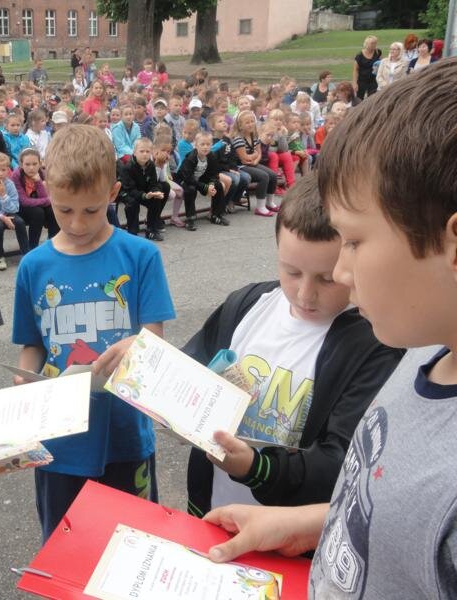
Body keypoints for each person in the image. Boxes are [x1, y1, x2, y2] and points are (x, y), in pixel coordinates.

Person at [201, 57, 457, 600]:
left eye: (355, 242)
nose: (340, 273)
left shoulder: (388, 347)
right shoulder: (423, 352)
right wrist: (312, 521)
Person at [183, 173, 401, 518]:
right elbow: (191, 369)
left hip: (292, 532)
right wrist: (147, 363)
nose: (305, 294)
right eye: (292, 272)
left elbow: (343, 461)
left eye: (326, 279)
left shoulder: (375, 346)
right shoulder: (246, 305)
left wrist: (256, 467)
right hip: (212, 507)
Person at [12, 124, 175, 541]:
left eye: (91, 210)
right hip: (59, 442)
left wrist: (137, 344)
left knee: (133, 546)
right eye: (64, 209)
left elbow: (154, 339)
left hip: (125, 433)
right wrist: (23, 380)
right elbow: (33, 345)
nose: (77, 223)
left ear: (113, 193)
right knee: (65, 548)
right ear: (48, 191)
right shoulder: (33, 266)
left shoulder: (140, 255)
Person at [118, 137, 167, 241]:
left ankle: (151, 230)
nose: (145, 154)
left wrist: (155, 192)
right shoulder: (128, 167)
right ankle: (133, 231)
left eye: (147, 151)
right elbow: (130, 189)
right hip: (127, 192)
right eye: (141, 151)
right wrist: (145, 195)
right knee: (132, 203)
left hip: (143, 191)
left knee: (158, 195)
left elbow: (153, 183)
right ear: (134, 152)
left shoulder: (151, 165)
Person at [231, 110, 278, 217]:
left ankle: (269, 202)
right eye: (247, 122)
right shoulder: (238, 139)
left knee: (273, 175)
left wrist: (256, 160)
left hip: (252, 163)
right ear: (240, 126)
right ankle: (260, 207)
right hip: (241, 166)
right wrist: (254, 155)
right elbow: (244, 158)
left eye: (252, 121)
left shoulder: (254, 136)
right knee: (263, 176)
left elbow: (259, 153)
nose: (250, 124)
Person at [176, 131, 227, 227]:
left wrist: (211, 185)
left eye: (208, 144)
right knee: (191, 189)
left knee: (218, 185)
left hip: (200, 180)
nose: (205, 147)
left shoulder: (211, 156)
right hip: (186, 181)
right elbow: (188, 178)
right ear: (196, 145)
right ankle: (190, 218)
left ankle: (215, 215)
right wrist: (205, 187)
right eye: (202, 144)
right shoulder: (191, 158)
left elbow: (214, 174)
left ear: (211, 145)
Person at [11, 147, 58, 250]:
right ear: (21, 164)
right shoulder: (16, 176)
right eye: (27, 164)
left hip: (38, 204)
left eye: (34, 164)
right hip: (20, 208)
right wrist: (48, 200)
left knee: (52, 210)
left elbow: (44, 196)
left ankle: (53, 243)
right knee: (38, 212)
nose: (31, 168)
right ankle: (33, 247)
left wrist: (38, 182)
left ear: (40, 164)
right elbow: (23, 201)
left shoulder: (42, 173)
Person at [352, 35, 381, 100]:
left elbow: (381, 62)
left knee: (372, 98)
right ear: (366, 44)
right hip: (362, 80)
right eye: (372, 43)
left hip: (373, 80)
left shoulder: (378, 52)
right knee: (359, 98)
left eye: (375, 43)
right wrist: (354, 83)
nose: (374, 45)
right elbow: (355, 70)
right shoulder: (359, 56)